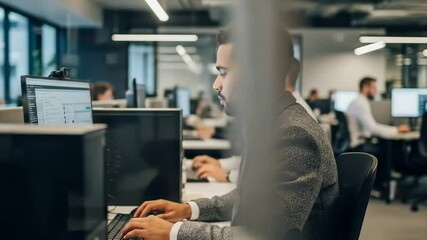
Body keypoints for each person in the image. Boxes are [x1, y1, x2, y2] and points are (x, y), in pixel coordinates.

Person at [120, 27, 338, 240]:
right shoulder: (271, 124)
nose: (216, 85)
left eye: (223, 73)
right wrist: (188, 210)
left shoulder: (294, 133)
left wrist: (174, 232)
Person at [346, 77, 410, 151]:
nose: (376, 91)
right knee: (393, 149)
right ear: (365, 87)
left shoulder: (356, 101)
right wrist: (397, 129)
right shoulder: (361, 104)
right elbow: (373, 128)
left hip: (360, 141)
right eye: (374, 88)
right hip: (360, 145)